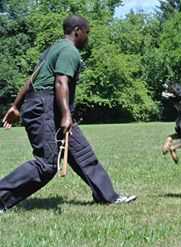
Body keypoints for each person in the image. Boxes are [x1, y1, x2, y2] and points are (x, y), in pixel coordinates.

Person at [0, 15, 136, 214]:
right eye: (87, 33)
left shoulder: (54, 48)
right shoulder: (69, 51)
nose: (88, 38)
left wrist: (15, 106)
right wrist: (66, 115)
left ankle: (108, 196)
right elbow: (60, 82)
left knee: (81, 152)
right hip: (45, 106)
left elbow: (31, 80)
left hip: (48, 105)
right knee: (47, 163)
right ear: (77, 31)